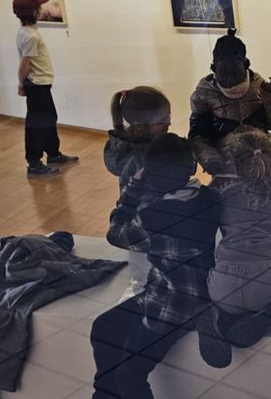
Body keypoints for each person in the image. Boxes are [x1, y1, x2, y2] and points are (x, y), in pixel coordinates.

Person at [91, 134, 223, 398]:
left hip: (171, 303)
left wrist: (133, 189)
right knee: (104, 327)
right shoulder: (209, 197)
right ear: (191, 168)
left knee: (130, 375)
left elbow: (116, 234)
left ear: (148, 172)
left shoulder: (154, 216)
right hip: (188, 291)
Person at [202, 131, 271, 360]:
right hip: (269, 285)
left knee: (224, 292)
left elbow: (209, 240)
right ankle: (269, 315)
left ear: (234, 162)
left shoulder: (221, 194)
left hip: (222, 286)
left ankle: (215, 317)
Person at [189, 28, 271, 178]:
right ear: (213, 69)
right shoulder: (204, 94)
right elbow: (199, 136)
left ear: (246, 65)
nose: (229, 79)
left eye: (235, 73)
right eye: (223, 73)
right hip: (226, 164)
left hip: (260, 159)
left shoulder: (259, 85)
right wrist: (211, 160)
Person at [13, 0, 78, 177]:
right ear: (34, 12)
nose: (42, 9)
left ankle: (53, 154)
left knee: (49, 118)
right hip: (36, 85)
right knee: (37, 124)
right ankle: (34, 164)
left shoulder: (27, 32)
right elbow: (24, 65)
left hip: (41, 84)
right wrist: (21, 84)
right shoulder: (31, 37)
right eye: (39, 8)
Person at [104, 86, 172, 191]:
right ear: (140, 125)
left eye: (168, 116)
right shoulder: (142, 156)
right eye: (161, 121)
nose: (169, 122)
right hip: (146, 205)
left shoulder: (127, 145)